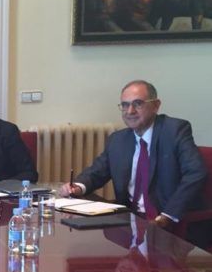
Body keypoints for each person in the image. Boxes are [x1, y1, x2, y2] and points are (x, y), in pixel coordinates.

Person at [60, 80, 206, 229]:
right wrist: (77, 186)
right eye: (125, 105)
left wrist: (168, 215)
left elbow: (195, 173)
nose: (130, 111)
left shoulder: (174, 130)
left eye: (138, 104)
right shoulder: (118, 140)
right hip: (129, 219)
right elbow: (97, 172)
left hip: (166, 221)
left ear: (156, 105)